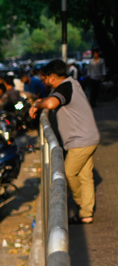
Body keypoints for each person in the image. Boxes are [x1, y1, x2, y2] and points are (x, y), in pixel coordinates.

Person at [30, 58, 101, 224]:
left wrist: (37, 103)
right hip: (89, 138)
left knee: (68, 173)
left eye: (44, 78)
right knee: (85, 177)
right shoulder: (72, 83)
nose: (44, 82)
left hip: (81, 141)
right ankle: (86, 214)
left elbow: (51, 103)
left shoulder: (64, 88)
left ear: (52, 77)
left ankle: (80, 202)